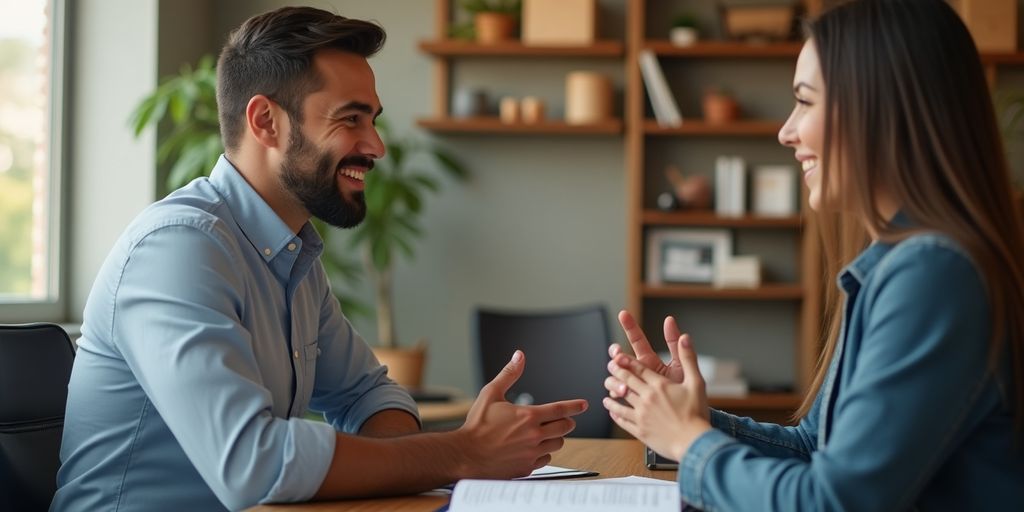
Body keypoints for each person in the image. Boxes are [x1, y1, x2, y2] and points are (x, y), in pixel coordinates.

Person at [52, 7, 586, 511]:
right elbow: (252, 464)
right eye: (351, 119)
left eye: (372, 120)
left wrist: (434, 458)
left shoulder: (292, 256)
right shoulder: (177, 249)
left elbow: (368, 395)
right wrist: (462, 452)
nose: (376, 146)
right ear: (266, 121)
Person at [603, 0, 1024, 509]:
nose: (786, 131)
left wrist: (689, 442)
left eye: (805, 101)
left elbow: (832, 501)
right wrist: (687, 419)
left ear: (880, 110)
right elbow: (815, 450)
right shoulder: (902, 264)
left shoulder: (934, 275)